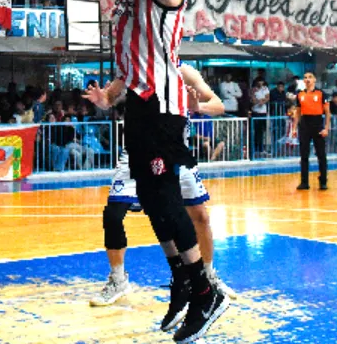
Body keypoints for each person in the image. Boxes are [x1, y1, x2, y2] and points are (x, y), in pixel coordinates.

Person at [70, 0, 229, 344]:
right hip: (139, 98)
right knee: (147, 193)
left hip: (162, 103)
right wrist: (111, 96)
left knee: (162, 195)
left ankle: (205, 289)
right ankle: (184, 279)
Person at [86, 64, 236, 307]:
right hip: (138, 150)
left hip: (175, 150)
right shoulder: (133, 68)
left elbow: (218, 105)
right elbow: (108, 101)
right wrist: (101, 100)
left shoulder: (184, 71)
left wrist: (196, 107)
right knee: (113, 215)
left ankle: (207, 276)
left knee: (200, 216)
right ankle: (118, 279)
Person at [295, 72, 330, 191]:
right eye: (305, 77)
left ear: (314, 79)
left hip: (317, 124)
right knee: (304, 155)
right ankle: (304, 182)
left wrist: (326, 128)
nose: (307, 79)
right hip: (304, 125)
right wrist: (294, 128)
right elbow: (298, 112)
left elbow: (327, 112)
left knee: (321, 154)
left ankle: (323, 181)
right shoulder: (300, 94)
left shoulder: (320, 93)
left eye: (310, 77)